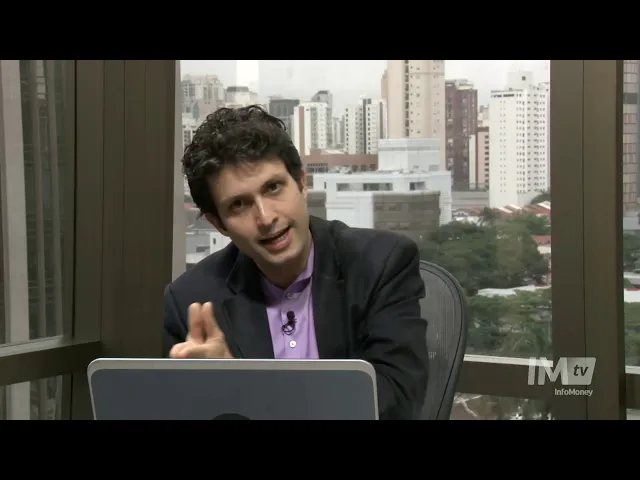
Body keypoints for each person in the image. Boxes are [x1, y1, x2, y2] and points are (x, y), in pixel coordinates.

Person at [164, 105, 429, 420]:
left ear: (302, 183)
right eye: (239, 205)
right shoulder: (190, 302)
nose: (266, 218)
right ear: (219, 224)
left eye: (273, 188)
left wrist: (239, 386)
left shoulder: (381, 264)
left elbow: (396, 402)